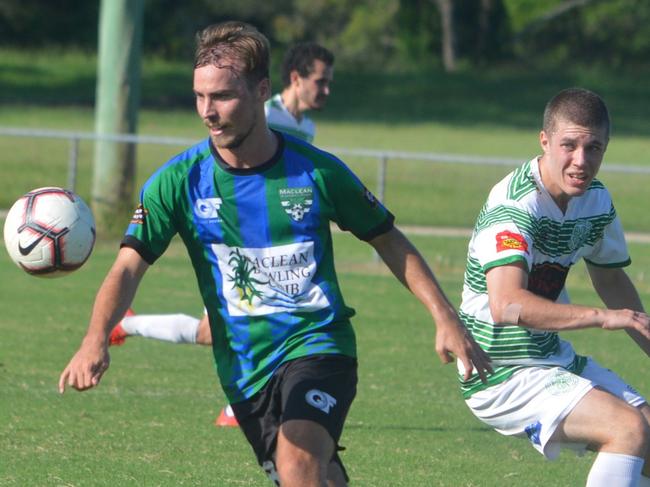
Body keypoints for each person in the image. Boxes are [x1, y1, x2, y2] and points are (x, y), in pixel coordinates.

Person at [58, 21, 491, 487]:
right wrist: (95, 336)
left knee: (298, 462)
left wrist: (445, 316)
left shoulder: (317, 171)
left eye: (222, 96)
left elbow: (388, 239)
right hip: (243, 370)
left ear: (261, 90)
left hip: (319, 345)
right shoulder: (176, 182)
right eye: (200, 97)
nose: (208, 111)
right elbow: (127, 266)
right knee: (313, 477)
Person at [107, 42, 336, 427]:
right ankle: (237, 400)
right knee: (224, 327)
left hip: (274, 243)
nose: (326, 90)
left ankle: (128, 326)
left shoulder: (305, 127)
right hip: (236, 237)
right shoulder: (266, 114)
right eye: (320, 81)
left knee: (223, 328)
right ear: (296, 79)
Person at [458, 87, 650, 486]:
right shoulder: (515, 207)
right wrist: (601, 318)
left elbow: (611, 278)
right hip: (500, 371)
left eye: (594, 147)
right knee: (627, 428)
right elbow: (507, 304)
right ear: (544, 141)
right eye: (569, 145)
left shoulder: (595, 202)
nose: (581, 160)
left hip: (551, 360)